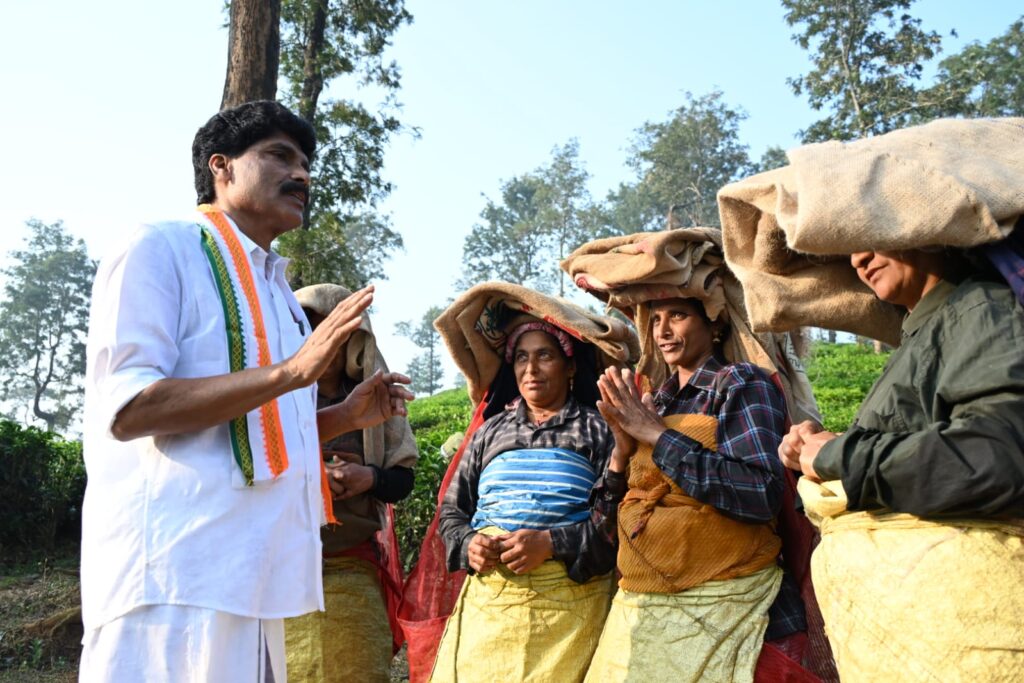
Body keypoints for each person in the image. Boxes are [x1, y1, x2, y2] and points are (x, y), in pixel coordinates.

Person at [79, 101, 412, 682]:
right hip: (173, 574)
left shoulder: (280, 294)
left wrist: (343, 416)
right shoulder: (161, 247)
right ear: (221, 167)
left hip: (260, 582)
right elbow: (128, 410)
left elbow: (259, 433)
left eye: (306, 163)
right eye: (279, 156)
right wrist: (291, 373)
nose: (301, 174)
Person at [778, 248, 1024, 679]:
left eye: (874, 236)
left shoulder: (978, 307)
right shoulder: (920, 332)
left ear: (922, 232)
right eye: (849, 248)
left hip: (962, 638)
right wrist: (813, 454)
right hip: (920, 639)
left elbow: (995, 457)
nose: (859, 258)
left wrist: (838, 455)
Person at [587, 296, 795, 683]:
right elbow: (603, 531)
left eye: (678, 315)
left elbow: (760, 493)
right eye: (655, 320)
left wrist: (658, 436)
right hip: (642, 607)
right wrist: (620, 452)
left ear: (714, 324)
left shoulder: (739, 382)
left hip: (726, 602)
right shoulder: (653, 402)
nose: (662, 331)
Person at [432, 320, 623, 683]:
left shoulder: (599, 430)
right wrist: (470, 544)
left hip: (567, 614)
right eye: (521, 357)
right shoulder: (491, 431)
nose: (530, 369)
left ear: (570, 367)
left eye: (544, 356)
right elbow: (453, 512)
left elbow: (615, 523)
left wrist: (551, 543)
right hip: (491, 609)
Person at [285, 283, 418, 683]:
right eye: (310, 334)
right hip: (282, 570)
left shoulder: (375, 399)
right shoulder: (278, 400)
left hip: (351, 565)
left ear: (353, 341)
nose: (321, 345)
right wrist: (311, 478)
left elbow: (401, 480)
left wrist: (368, 478)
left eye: (333, 334)